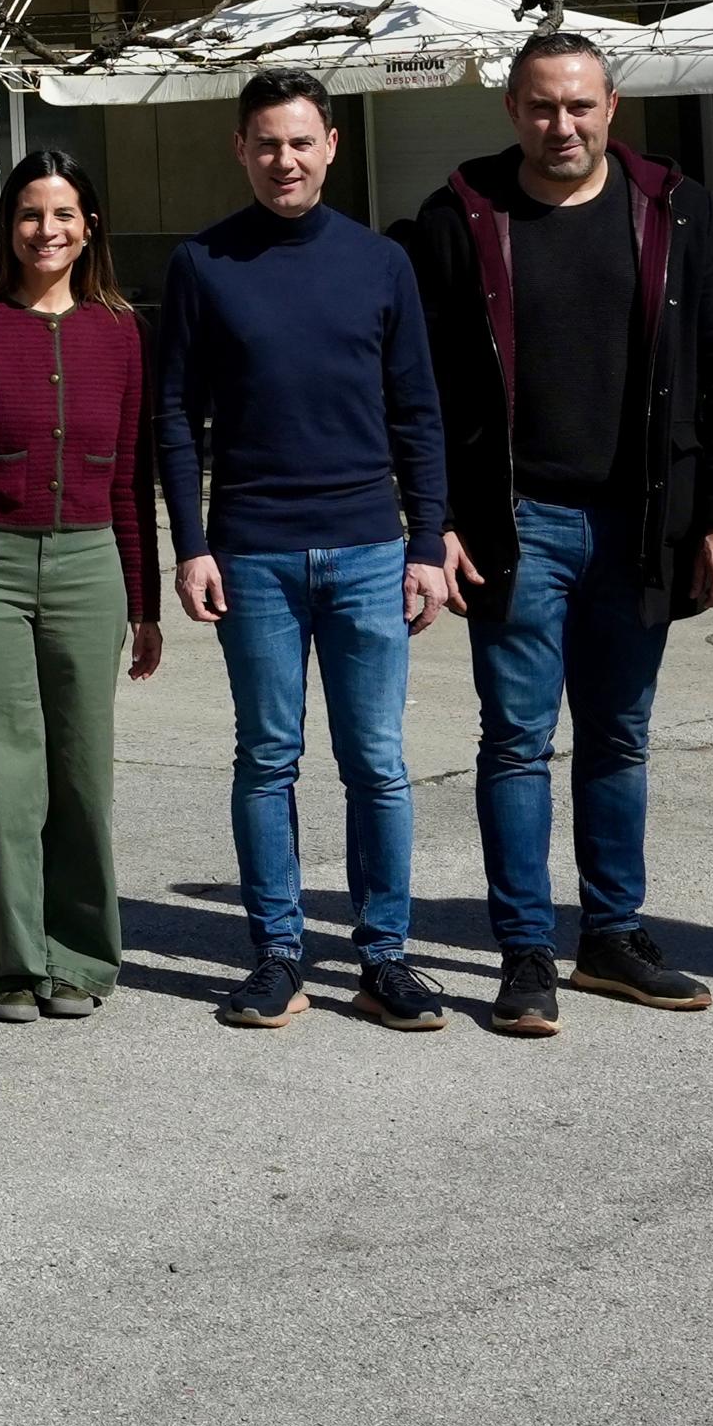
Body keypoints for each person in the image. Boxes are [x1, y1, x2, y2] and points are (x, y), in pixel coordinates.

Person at [398, 31, 713, 1035]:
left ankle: (610, 934)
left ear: (611, 107)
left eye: (577, 106)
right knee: (515, 741)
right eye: (538, 106)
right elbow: (418, 386)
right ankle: (524, 949)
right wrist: (429, 521)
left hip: (639, 521)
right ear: (511, 111)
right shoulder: (458, 216)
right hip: (512, 526)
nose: (558, 125)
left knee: (616, 736)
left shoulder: (675, 208)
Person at [155, 66, 452, 1033]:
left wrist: (427, 541)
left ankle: (386, 956)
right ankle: (278, 952)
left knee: (378, 763)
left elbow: (419, 410)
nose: (285, 159)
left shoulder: (380, 263)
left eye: (302, 141)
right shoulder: (204, 263)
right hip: (254, 554)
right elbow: (175, 414)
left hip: (371, 547)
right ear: (240, 150)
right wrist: (192, 544)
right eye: (266, 143)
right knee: (267, 758)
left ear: (333, 145)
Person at [0, 148, 162, 1022]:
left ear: (90, 225)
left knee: (83, 771)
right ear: (6, 226)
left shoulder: (119, 328)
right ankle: (16, 961)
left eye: (63, 214)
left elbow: (132, 474)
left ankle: (83, 955)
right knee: (4, 774)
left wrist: (145, 600)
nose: (46, 231)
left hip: (92, 564)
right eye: (28, 214)